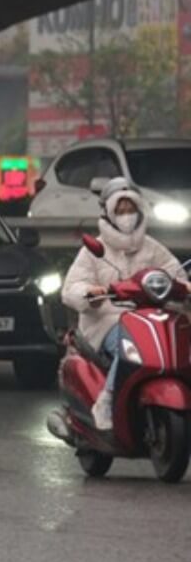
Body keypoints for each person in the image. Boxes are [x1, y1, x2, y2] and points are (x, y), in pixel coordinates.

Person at [61, 177, 187, 431]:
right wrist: (91, 293)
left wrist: (184, 289)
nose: (126, 215)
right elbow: (71, 289)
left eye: (131, 210)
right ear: (109, 213)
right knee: (126, 347)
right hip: (108, 321)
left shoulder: (153, 248)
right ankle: (106, 400)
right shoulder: (95, 251)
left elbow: (177, 277)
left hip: (153, 321)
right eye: (120, 210)